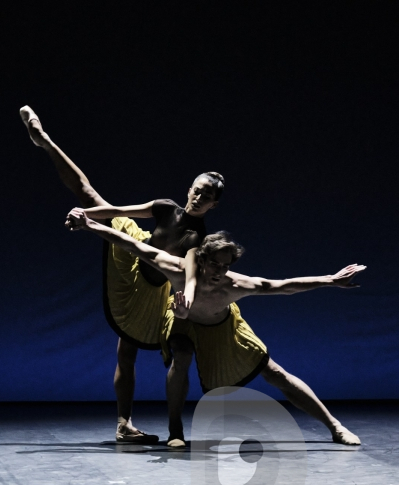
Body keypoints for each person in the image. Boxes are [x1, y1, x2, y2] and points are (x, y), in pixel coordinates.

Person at [66, 210, 365, 447]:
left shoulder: (235, 285)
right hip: (182, 322)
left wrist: (330, 279)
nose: (220, 272)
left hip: (221, 326)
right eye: (215, 265)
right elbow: (132, 245)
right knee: (181, 356)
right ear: (203, 260)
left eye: (226, 266)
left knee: (274, 373)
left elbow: (283, 287)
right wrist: (89, 225)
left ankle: (335, 427)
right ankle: (175, 430)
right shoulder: (176, 269)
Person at [20, 106, 223, 443]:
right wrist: (83, 214)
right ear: (190, 187)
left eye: (207, 197)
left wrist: (187, 292)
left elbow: (188, 267)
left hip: (152, 292)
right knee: (88, 194)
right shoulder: (164, 206)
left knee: (128, 352)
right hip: (133, 260)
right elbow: (117, 210)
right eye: (197, 189)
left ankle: (126, 426)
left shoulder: (200, 238)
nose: (198, 197)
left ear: (214, 205)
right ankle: (44, 141)